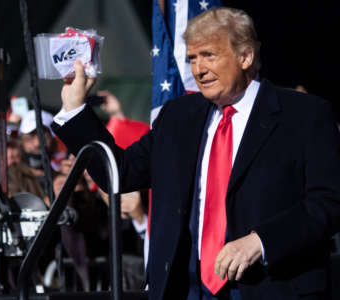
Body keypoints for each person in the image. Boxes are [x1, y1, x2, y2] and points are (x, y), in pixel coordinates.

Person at [51, 7, 340, 300]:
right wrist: (75, 109)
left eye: (209, 56)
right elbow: (121, 172)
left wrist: (261, 242)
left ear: (245, 57)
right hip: (186, 288)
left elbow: (328, 202)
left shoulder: (304, 115)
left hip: (271, 286)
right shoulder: (177, 116)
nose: (198, 69)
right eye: (192, 58)